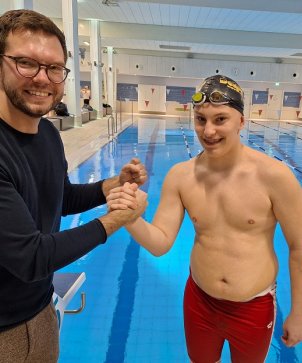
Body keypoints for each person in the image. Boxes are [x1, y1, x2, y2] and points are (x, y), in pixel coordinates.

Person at [107, 74, 302, 363]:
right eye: (200, 119)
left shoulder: (276, 177)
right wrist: (130, 218)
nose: (208, 131)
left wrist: (298, 313)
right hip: (200, 302)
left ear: (241, 122)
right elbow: (160, 243)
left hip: (253, 306)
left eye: (220, 119)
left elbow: (298, 248)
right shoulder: (181, 176)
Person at [0, 9, 147, 363]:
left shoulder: (47, 134)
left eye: (53, 68)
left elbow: (60, 197)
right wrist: (117, 219)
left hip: (39, 308)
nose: (42, 78)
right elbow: (32, 258)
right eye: (25, 63)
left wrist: (112, 184)